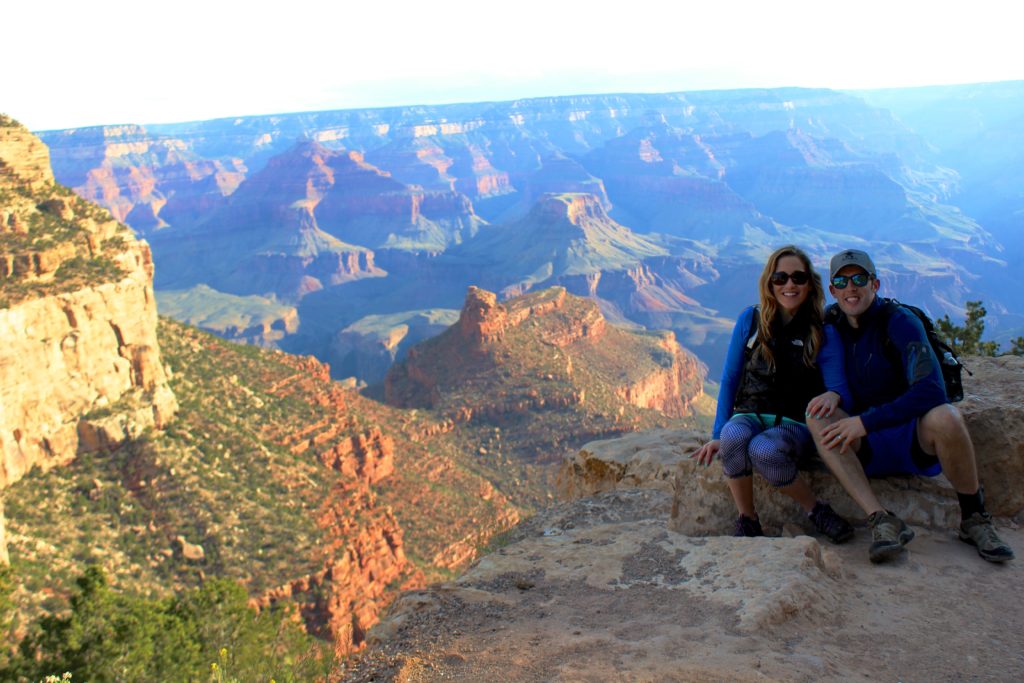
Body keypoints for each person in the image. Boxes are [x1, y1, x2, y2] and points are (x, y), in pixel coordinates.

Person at [806, 248, 1015, 563]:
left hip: (911, 436)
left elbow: (932, 391)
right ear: (833, 290)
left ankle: (974, 518)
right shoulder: (830, 324)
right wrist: (833, 395)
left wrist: (864, 422)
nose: (851, 287)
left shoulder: (899, 322)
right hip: (865, 446)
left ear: (875, 284)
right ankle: (882, 520)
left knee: (947, 417)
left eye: (859, 278)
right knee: (817, 416)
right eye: (842, 281)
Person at [692, 245, 854, 543]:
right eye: (780, 278)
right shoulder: (751, 321)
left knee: (763, 450)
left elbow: (839, 390)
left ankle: (816, 510)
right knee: (732, 437)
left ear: (809, 284)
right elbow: (729, 379)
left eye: (798, 278)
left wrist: (834, 397)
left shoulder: (822, 332)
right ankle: (747, 518)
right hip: (749, 414)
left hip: (794, 424)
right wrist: (717, 432)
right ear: (770, 282)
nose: (789, 285)